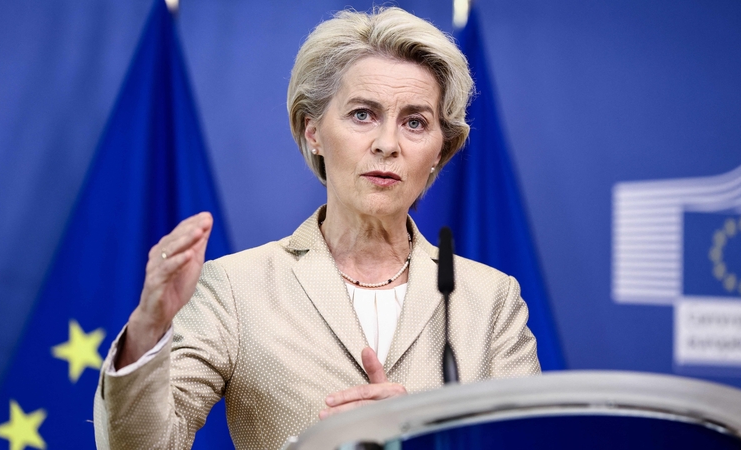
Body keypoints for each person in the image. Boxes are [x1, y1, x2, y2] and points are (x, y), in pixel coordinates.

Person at [93, 7, 540, 450]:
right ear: (313, 132)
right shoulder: (236, 289)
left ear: (440, 150)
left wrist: (423, 439)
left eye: (414, 122)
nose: (387, 144)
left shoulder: (490, 300)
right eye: (363, 114)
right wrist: (147, 329)